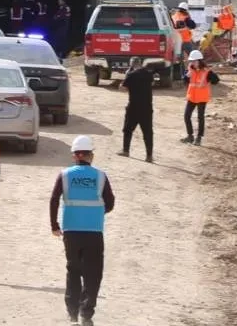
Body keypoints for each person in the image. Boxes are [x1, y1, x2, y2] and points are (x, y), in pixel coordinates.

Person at [51, 135, 115, 326]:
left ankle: (72, 314)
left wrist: (54, 225)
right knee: (93, 273)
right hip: (94, 231)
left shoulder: (64, 175)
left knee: (74, 270)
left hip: (71, 231)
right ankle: (86, 314)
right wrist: (96, 213)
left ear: (74, 156)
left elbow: (54, 199)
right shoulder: (101, 176)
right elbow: (110, 202)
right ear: (91, 156)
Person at [116, 58, 154, 162]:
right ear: (140, 64)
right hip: (147, 107)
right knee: (148, 132)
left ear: (131, 65)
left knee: (128, 129)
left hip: (133, 107)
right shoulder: (148, 74)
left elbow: (122, 88)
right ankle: (149, 156)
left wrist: (126, 76)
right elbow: (151, 84)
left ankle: (126, 151)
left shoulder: (131, 75)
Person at [181, 50, 219, 146]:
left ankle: (199, 137)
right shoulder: (190, 69)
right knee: (186, 116)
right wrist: (186, 76)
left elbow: (216, 80)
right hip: (192, 96)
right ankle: (190, 136)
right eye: (191, 61)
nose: (192, 63)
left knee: (200, 117)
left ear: (199, 61)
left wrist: (209, 80)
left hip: (201, 97)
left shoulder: (207, 71)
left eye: (194, 61)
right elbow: (185, 80)